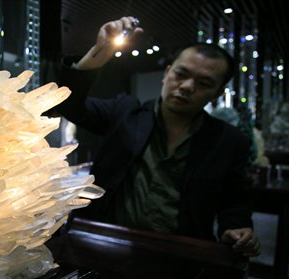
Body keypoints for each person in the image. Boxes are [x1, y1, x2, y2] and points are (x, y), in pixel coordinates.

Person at [52, 16, 261, 257]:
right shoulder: (125, 112)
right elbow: (70, 105)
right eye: (181, 74)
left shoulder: (230, 141)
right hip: (105, 242)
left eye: (204, 83)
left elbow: (234, 199)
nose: (186, 86)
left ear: (217, 93)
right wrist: (99, 53)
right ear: (167, 72)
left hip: (182, 252)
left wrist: (236, 228)